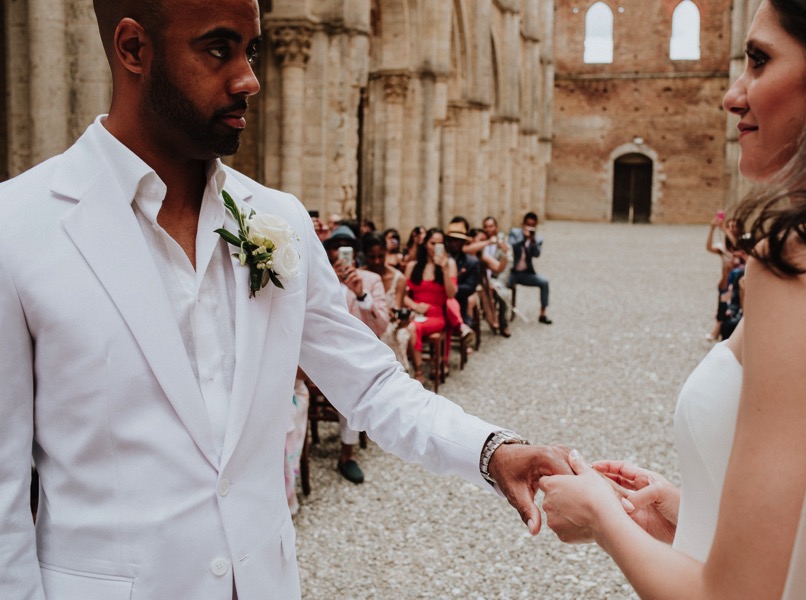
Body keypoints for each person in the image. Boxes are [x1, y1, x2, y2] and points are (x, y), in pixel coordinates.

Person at [0, 1, 572, 598]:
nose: (250, 77)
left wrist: (492, 453)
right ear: (133, 49)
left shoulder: (276, 219)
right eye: (219, 49)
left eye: (249, 49)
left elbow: (371, 385)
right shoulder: (17, 229)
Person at [539, 1, 806, 598]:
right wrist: (690, 511)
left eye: (759, 61)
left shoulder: (805, 263)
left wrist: (600, 515)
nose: (734, 96)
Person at [323, 225, 393, 484]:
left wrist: (360, 293)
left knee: (349, 380)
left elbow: (382, 325)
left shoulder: (369, 280)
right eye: (335, 245)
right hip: (319, 349)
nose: (340, 252)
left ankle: (347, 455)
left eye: (346, 246)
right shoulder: (320, 277)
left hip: (353, 353)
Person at [403, 228, 456, 381]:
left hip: (436, 315)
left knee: (412, 327)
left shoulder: (449, 265)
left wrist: (445, 269)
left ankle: (418, 372)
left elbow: (451, 294)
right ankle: (409, 367)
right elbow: (403, 296)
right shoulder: (413, 266)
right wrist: (414, 305)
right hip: (416, 312)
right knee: (407, 326)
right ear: (425, 244)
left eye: (440, 244)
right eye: (432, 243)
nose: (435, 247)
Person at [361, 231, 411, 372]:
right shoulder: (359, 276)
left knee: (394, 335)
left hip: (389, 325)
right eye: (372, 257)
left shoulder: (398, 278)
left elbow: (397, 307)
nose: (377, 261)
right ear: (364, 255)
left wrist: (397, 315)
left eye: (381, 256)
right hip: (364, 324)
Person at [508, 211, 552, 324]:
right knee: (500, 286)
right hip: (512, 272)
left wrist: (532, 241)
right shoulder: (514, 233)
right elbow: (511, 246)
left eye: (532, 225)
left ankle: (543, 314)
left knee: (544, 282)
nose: (530, 227)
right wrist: (523, 238)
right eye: (528, 224)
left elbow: (536, 254)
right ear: (523, 223)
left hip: (526, 273)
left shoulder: (537, 239)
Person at [704, 213, 740, 341]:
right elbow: (709, 247)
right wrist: (712, 229)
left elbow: (736, 246)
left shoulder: (742, 245)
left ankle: (719, 327)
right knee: (723, 300)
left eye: (733, 227)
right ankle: (719, 325)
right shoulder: (724, 248)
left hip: (738, 282)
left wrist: (724, 229)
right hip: (726, 281)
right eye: (729, 226)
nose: (731, 229)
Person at [445, 221, 482, 329]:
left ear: (463, 242)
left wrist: (450, 289)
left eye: (458, 240)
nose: (454, 243)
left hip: (460, 303)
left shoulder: (471, 262)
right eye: (451, 240)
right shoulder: (438, 259)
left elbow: (470, 287)